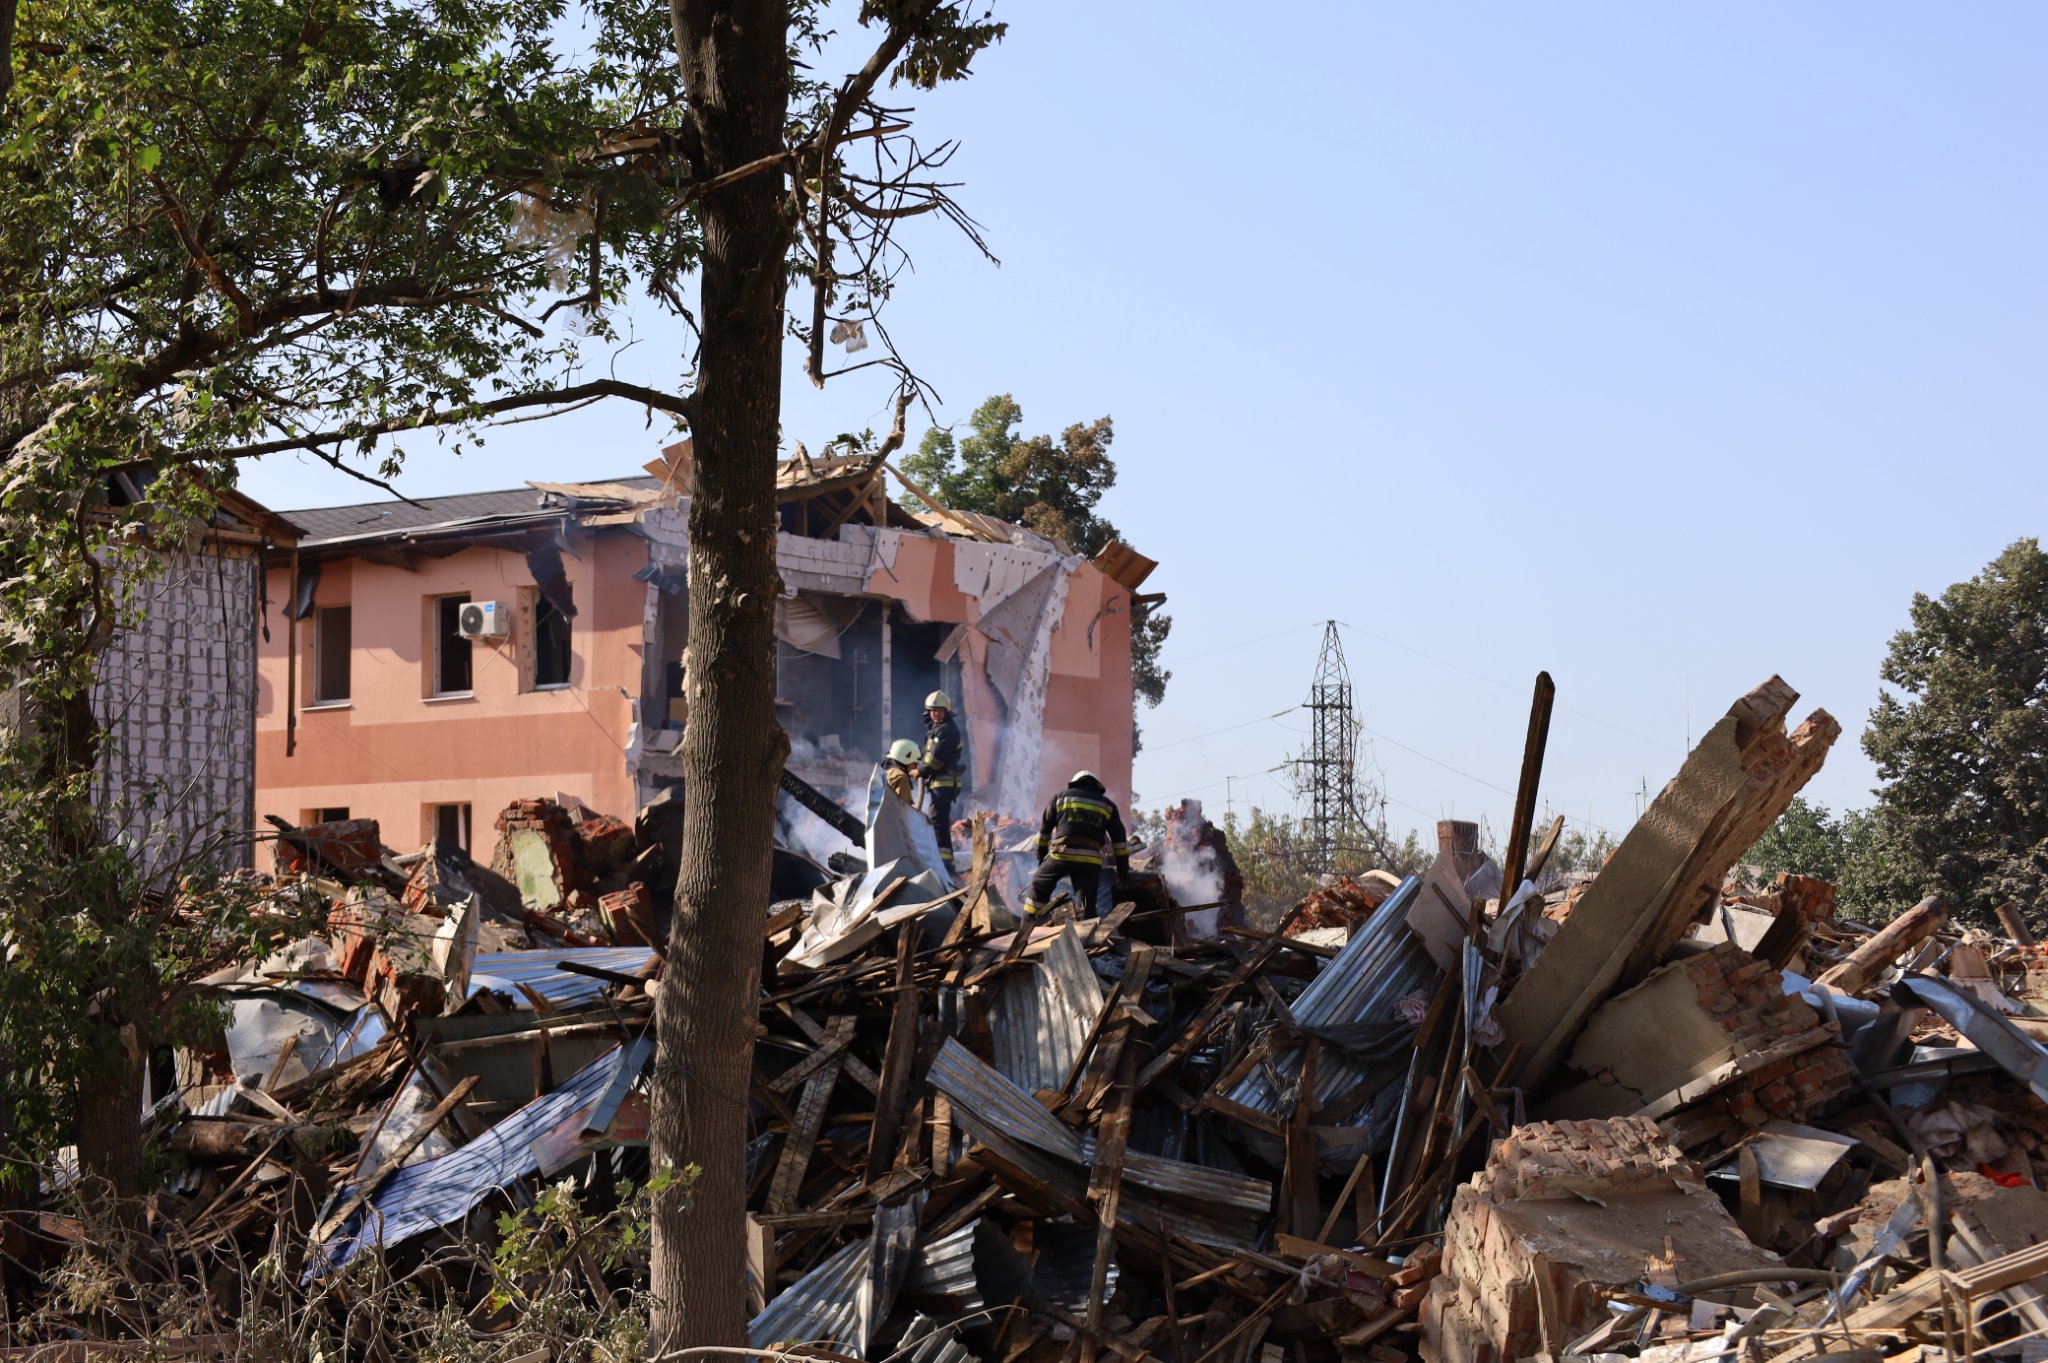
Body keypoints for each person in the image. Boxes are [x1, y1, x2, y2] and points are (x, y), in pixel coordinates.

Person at [1023, 770, 1130, 918]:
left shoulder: (1060, 798)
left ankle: (1028, 923)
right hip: (1090, 861)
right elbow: (1119, 842)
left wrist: (1041, 858)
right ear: (1096, 786)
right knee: (1085, 903)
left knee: (1039, 884)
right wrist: (1123, 871)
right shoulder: (1107, 805)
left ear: (1074, 784)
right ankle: (1085, 935)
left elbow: (1044, 833)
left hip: (1061, 855)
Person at [919, 690, 964, 870]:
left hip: (943, 782)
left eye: (940, 710)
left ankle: (945, 862)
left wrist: (919, 771)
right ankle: (943, 858)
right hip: (937, 782)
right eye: (933, 710)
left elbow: (935, 759)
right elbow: (927, 755)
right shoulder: (937, 730)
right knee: (938, 820)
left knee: (938, 820)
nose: (936, 714)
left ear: (946, 712)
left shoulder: (947, 730)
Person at [883, 738, 924, 808]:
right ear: (905, 759)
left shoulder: (886, 772)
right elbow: (901, 809)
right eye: (914, 763)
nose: (915, 767)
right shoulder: (902, 777)